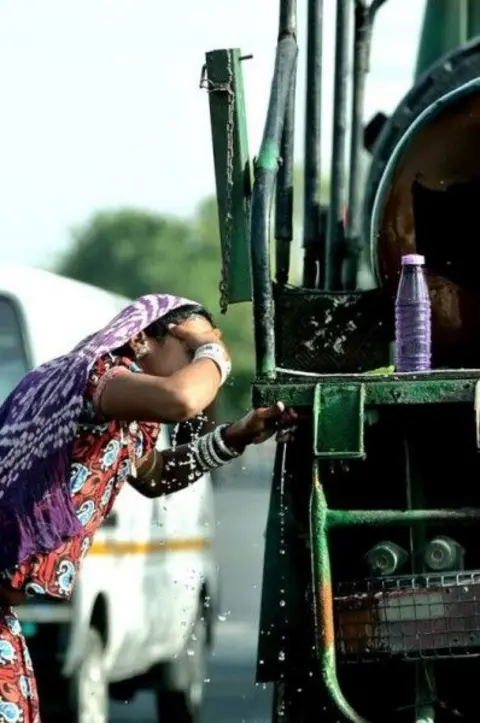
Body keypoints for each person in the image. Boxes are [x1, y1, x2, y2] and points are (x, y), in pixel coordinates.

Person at [0, 293, 296, 722]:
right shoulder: (100, 378)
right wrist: (214, 349)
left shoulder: (125, 418)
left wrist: (237, 435)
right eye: (189, 351)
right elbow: (182, 399)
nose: (199, 364)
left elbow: (156, 475)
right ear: (140, 339)